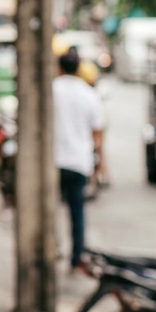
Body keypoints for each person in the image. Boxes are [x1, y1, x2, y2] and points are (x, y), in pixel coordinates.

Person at [54, 50, 105, 270]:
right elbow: (98, 134)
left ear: (59, 67)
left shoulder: (50, 90)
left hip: (53, 161)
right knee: (77, 212)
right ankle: (76, 258)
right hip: (78, 161)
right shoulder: (89, 94)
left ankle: (52, 248)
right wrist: (100, 162)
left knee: (50, 209)